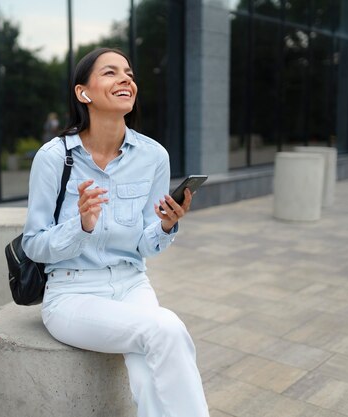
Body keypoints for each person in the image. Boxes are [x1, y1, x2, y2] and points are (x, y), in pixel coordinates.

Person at [22, 47, 209, 417]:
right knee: (165, 329)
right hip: (72, 292)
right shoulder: (54, 157)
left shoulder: (153, 156)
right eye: (110, 73)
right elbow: (33, 244)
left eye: (129, 73)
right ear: (83, 93)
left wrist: (166, 225)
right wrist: (81, 226)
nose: (126, 79)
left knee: (147, 366)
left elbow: (144, 244)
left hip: (132, 285)